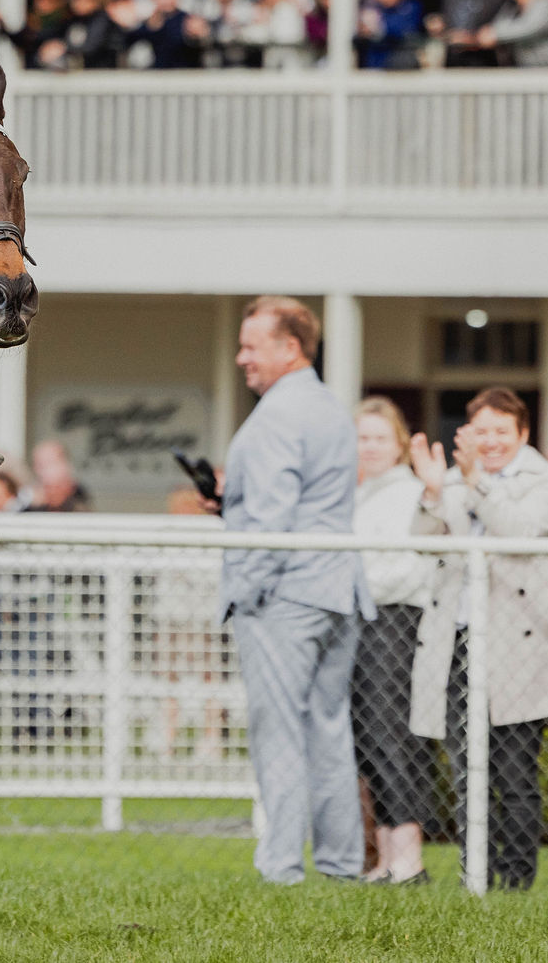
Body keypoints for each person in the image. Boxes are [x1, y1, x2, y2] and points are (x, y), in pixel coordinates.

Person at [201, 296, 371, 884]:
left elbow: (272, 522)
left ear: (290, 347)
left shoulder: (275, 416)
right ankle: (342, 864)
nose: (242, 358)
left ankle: (280, 868)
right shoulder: (330, 408)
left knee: (278, 730)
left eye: (252, 346)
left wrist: (241, 592)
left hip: (285, 595)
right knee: (329, 728)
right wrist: (232, 503)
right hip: (338, 588)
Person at [410, 388, 548, 891]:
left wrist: (476, 485)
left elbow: (521, 532)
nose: (490, 442)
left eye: (500, 431)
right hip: (457, 638)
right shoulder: (449, 479)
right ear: (466, 434)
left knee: (513, 771)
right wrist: (432, 493)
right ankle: (476, 874)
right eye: (481, 431)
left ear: (522, 433)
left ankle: (515, 880)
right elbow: (422, 541)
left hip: (520, 643)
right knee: (465, 770)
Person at [350, 396, 437, 885]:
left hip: (396, 620)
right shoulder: (361, 494)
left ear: (400, 443)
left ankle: (409, 859)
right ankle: (385, 858)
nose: (371, 447)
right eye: (362, 438)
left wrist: (358, 582)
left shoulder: (409, 491)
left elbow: (408, 567)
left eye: (380, 438)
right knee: (368, 739)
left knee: (393, 735)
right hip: (361, 620)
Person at [356, 0, 424, 71]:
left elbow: (401, 28)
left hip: (401, 66)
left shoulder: (410, 7)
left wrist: (376, 26)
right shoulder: (375, 9)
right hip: (374, 67)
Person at [26, 439, 91, 512]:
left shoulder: (77, 494)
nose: (39, 471)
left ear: (64, 465)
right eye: (37, 464)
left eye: (47, 463)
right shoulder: (28, 498)